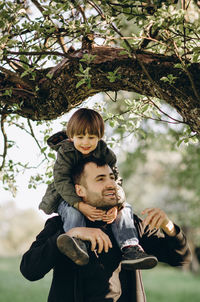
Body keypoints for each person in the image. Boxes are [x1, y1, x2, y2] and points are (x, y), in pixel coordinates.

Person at [20, 157, 192, 302]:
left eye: (111, 178)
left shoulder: (130, 225)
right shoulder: (60, 225)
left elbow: (181, 258)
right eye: (100, 179)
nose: (111, 184)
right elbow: (30, 270)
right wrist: (71, 234)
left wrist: (169, 227)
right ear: (79, 190)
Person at [39, 108, 157, 270]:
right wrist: (79, 205)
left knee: (125, 209)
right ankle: (77, 243)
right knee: (73, 213)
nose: (86, 142)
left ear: (99, 137)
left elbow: (115, 179)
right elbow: (61, 181)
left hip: (95, 195)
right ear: (71, 137)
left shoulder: (104, 153)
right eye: (80, 137)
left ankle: (130, 248)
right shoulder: (66, 152)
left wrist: (117, 204)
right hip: (67, 197)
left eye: (91, 137)